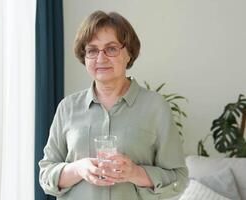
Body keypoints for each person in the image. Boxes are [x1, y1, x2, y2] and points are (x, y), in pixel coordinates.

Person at [39, 10, 188, 200]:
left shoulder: (156, 107)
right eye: (92, 50)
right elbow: (45, 175)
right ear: (84, 57)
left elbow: (179, 178)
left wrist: (134, 173)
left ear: (129, 53)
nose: (101, 59)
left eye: (111, 49)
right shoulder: (67, 108)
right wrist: (78, 169)